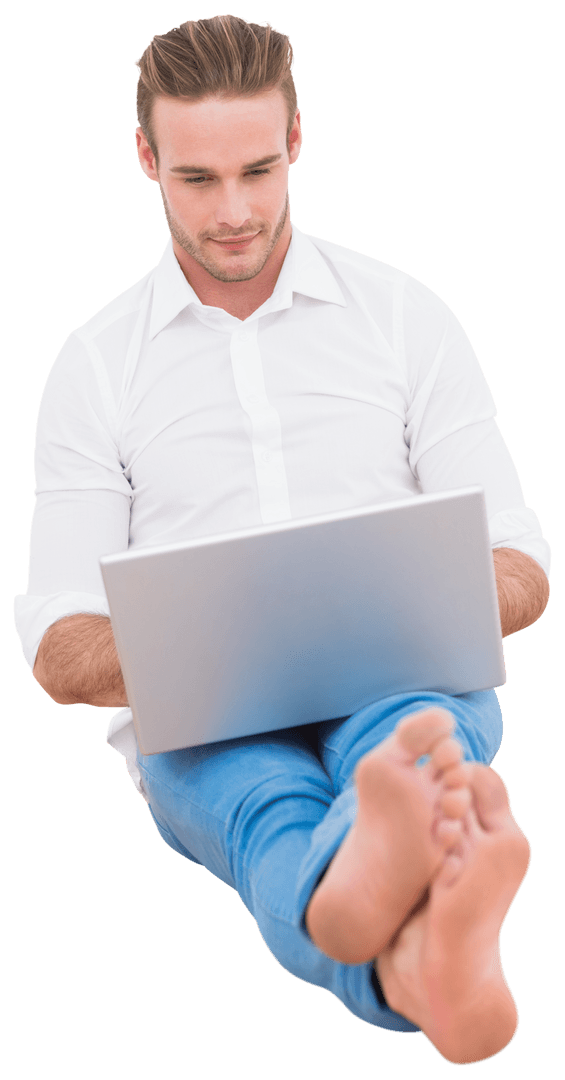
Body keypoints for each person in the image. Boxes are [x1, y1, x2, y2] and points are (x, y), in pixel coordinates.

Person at [14, 15, 550, 1065]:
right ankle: (408, 908)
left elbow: (521, 566)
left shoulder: (404, 317)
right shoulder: (94, 367)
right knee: (256, 795)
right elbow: (61, 646)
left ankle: (369, 913)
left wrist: (387, 612)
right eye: (198, 179)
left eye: (258, 169)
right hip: (205, 722)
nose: (236, 211)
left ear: (297, 138)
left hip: (401, 677)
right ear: (145, 160)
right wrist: (224, 645)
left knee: (388, 754)